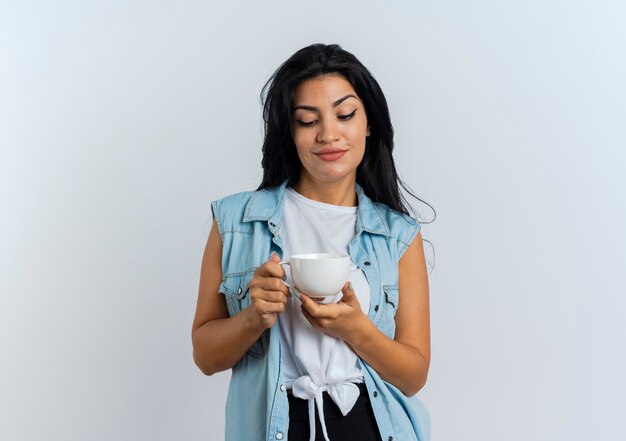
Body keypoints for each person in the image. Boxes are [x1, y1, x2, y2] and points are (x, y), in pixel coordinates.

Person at [191, 43, 431, 441]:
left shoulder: (398, 235)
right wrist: (254, 317)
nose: (329, 134)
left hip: (371, 425)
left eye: (346, 114)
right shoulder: (235, 221)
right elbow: (205, 356)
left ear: (368, 123)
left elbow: (414, 375)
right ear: (290, 130)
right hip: (274, 425)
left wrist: (357, 330)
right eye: (307, 120)